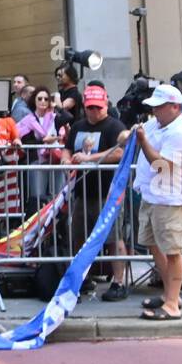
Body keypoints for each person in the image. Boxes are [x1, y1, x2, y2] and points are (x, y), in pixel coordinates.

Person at [132, 84, 182, 320]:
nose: (155, 111)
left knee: (173, 251)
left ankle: (171, 304)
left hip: (171, 198)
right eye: (154, 107)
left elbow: (162, 166)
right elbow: (132, 133)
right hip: (152, 195)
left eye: (160, 107)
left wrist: (142, 141)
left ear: (175, 107)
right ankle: (172, 294)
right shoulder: (157, 124)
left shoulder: (181, 133)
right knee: (154, 245)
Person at [66, 84, 129, 300]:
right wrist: (66, 159)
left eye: (99, 107)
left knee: (113, 237)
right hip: (82, 192)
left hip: (108, 192)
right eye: (91, 108)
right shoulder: (77, 126)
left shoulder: (114, 125)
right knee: (79, 236)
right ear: (84, 106)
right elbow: (67, 147)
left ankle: (118, 282)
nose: (95, 112)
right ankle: (82, 277)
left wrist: (89, 158)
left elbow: (120, 151)